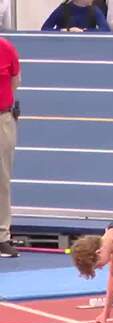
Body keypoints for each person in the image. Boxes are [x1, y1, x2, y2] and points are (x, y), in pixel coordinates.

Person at [0, 36, 16, 261]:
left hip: (2, 118)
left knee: (1, 179)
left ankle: (1, 236)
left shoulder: (5, 48)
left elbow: (15, 81)